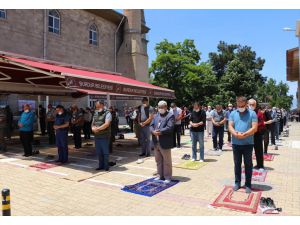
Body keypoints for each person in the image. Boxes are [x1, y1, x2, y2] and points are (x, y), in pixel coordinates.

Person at [228, 96, 258, 194]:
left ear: (245, 104)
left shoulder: (252, 113)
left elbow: (254, 128)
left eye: (242, 105)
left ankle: (248, 184)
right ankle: (237, 183)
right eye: (238, 105)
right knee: (237, 164)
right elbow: (230, 126)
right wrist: (236, 134)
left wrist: (245, 134)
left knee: (248, 164)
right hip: (236, 143)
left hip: (248, 143)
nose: (240, 107)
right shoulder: (233, 113)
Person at [150, 100, 175, 184]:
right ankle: (159, 175)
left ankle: (167, 176)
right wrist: (153, 131)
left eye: (162, 107)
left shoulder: (170, 115)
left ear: (166, 107)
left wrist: (160, 131)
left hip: (165, 142)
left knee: (167, 161)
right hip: (156, 142)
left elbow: (170, 127)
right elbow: (151, 125)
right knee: (158, 160)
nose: (160, 109)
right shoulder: (156, 115)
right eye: (159, 107)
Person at [92, 101, 112, 171]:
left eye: (98, 106)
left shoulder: (108, 113)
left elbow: (107, 124)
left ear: (102, 105)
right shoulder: (95, 113)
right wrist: (93, 128)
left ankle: (106, 166)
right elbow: (93, 123)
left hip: (104, 136)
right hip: (97, 136)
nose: (97, 108)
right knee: (99, 152)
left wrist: (98, 129)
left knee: (105, 152)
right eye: (96, 107)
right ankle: (101, 165)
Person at [248, 99, 265, 171]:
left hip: (257, 134)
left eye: (253, 105)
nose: (251, 106)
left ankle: (260, 165)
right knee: (248, 151)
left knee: (258, 150)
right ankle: (249, 165)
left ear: (255, 105)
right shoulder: (246, 112)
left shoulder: (259, 113)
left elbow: (261, 123)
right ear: (247, 105)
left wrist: (253, 128)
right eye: (250, 104)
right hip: (248, 134)